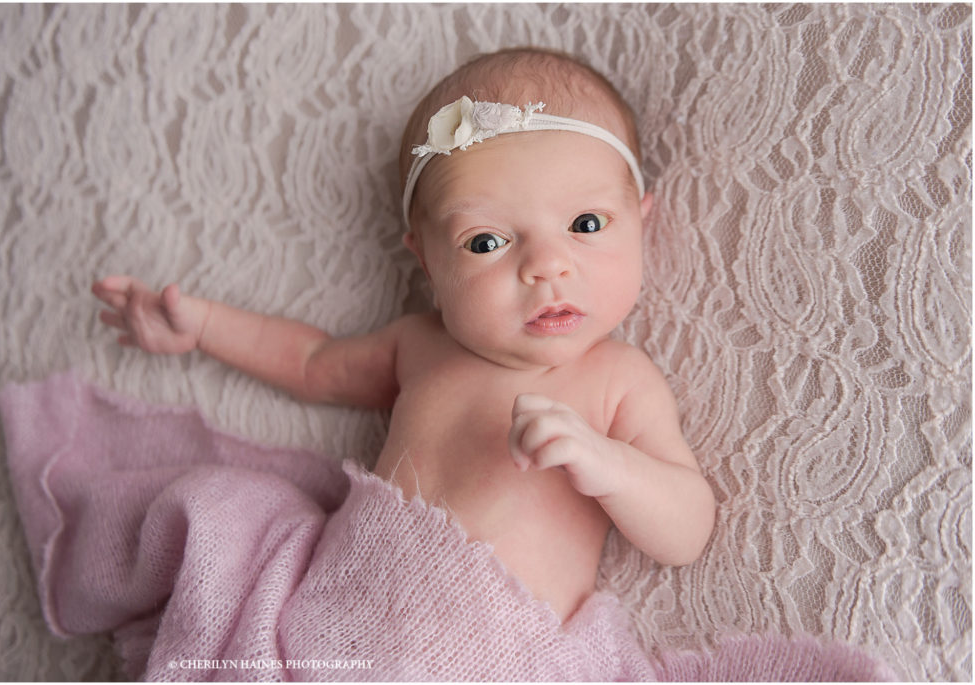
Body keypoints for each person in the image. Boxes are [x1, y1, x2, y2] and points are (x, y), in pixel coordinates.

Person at [92, 47, 715, 623]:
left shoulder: (617, 380)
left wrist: (605, 464)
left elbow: (687, 530)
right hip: (336, 621)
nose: (546, 265)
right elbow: (312, 363)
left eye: (585, 223)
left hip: (493, 648)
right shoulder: (419, 345)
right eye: (487, 241)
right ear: (427, 262)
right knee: (213, 509)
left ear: (640, 218)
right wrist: (202, 326)